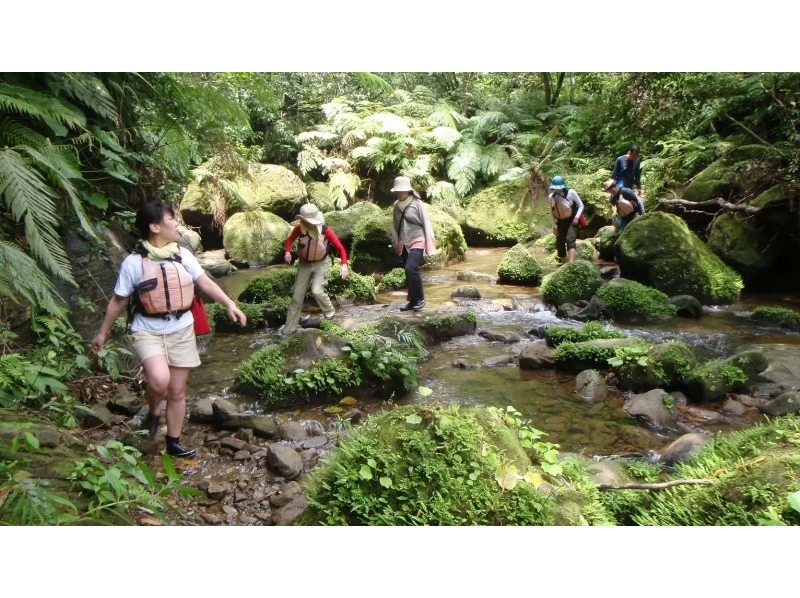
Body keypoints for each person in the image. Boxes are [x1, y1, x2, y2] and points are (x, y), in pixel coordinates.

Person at [91, 202, 247, 458]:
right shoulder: (134, 262)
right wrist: (102, 333)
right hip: (147, 330)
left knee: (176, 390)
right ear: (154, 227)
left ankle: (173, 442)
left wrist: (230, 304)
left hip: (182, 328)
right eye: (171, 220)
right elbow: (118, 300)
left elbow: (205, 282)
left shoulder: (183, 255)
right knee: (159, 381)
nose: (176, 224)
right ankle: (153, 410)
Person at [280, 203, 349, 336]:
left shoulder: (325, 230)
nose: (309, 223)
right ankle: (289, 329)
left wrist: (344, 265)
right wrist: (287, 252)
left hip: (321, 263)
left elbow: (340, 248)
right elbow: (289, 240)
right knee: (296, 297)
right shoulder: (299, 228)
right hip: (304, 264)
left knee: (317, 290)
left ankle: (330, 313)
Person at [390, 175, 437, 311]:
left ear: (408, 191)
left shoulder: (418, 204)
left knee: (411, 268)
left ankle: (420, 298)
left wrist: (430, 246)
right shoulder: (396, 205)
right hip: (404, 242)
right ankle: (412, 301)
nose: (399, 193)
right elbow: (394, 224)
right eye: (397, 191)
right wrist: (396, 241)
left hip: (418, 239)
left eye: (401, 191)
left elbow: (426, 224)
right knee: (407, 270)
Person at [548, 175, 584, 262]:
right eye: (555, 188)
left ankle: (571, 264)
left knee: (570, 240)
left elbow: (581, 205)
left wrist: (577, 217)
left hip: (572, 220)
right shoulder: (551, 197)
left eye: (559, 187)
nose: (557, 189)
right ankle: (564, 263)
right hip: (560, 221)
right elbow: (551, 213)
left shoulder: (571, 193)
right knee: (559, 243)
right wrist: (554, 227)